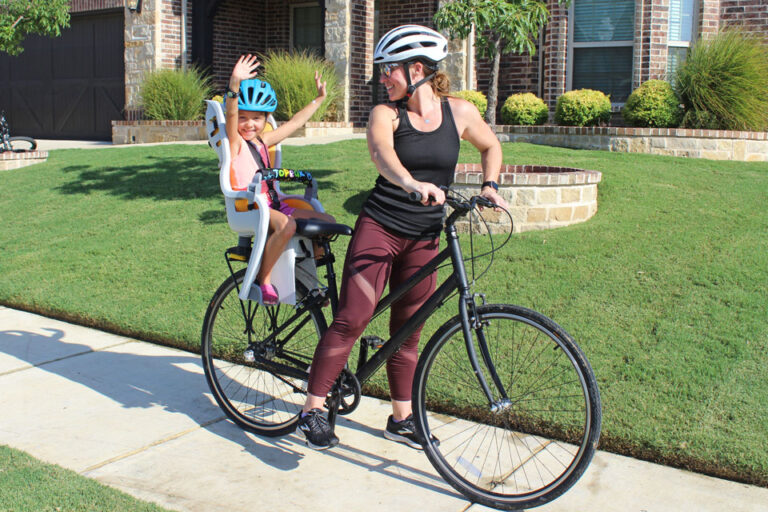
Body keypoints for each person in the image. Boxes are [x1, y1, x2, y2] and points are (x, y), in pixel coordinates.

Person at [297, 25, 508, 450]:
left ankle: (402, 417)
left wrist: (490, 186)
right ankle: (313, 409)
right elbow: (381, 154)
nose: (382, 78)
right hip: (381, 228)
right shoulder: (386, 113)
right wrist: (411, 183)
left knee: (408, 331)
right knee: (353, 318)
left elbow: (492, 147)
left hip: (426, 237)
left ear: (416, 69)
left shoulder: (459, 112)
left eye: (388, 70)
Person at [226, 54, 335, 305]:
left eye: (257, 118)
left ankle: (309, 282)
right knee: (287, 225)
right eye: (244, 118)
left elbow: (296, 122)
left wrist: (319, 99)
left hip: (274, 204)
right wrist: (234, 84)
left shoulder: (264, 141)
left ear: (265, 120)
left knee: (326, 222)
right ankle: (263, 281)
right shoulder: (235, 144)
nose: (249, 124)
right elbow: (230, 116)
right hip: (251, 205)